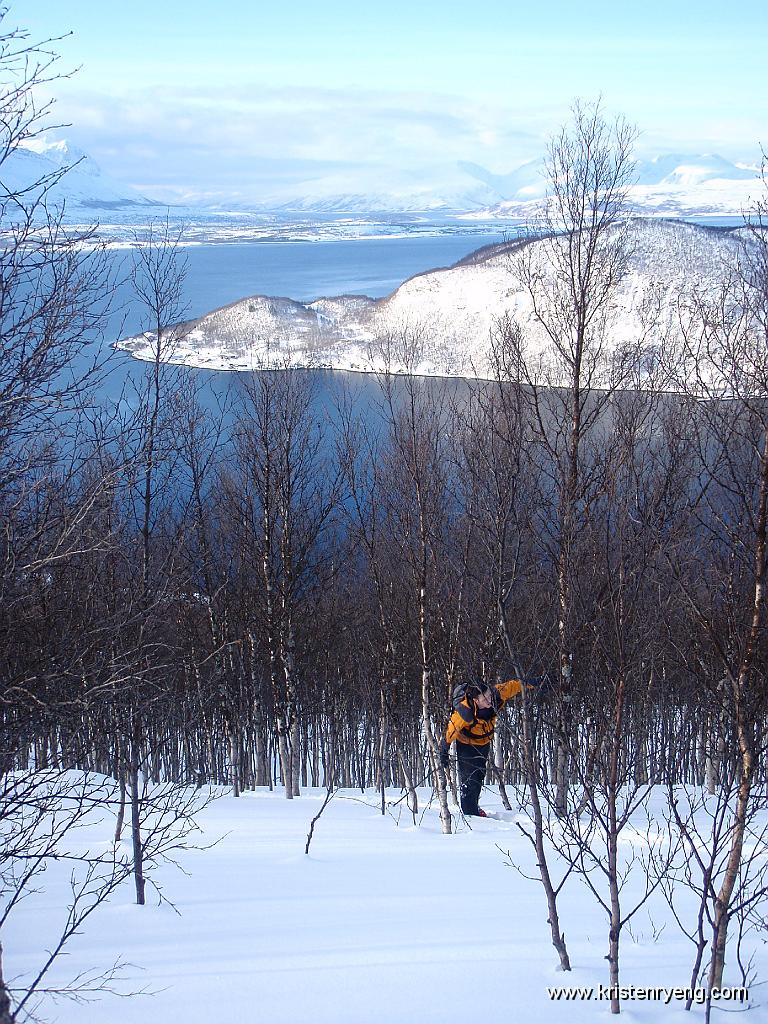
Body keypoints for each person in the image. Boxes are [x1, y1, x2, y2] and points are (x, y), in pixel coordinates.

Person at [439, 677, 531, 817]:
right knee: (470, 781)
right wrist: (444, 750)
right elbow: (451, 730)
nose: (489, 700)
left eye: (489, 696)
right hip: (466, 746)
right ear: (476, 701)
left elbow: (514, 685)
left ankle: (473, 807)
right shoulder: (465, 712)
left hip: (484, 743)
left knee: (479, 777)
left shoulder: (496, 695)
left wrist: (536, 682)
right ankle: (470, 815)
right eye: (485, 699)